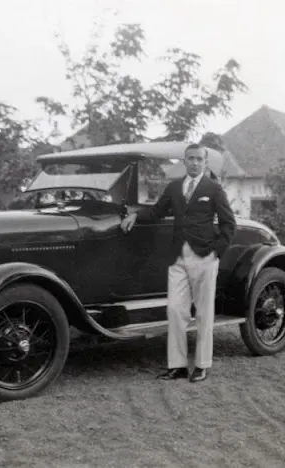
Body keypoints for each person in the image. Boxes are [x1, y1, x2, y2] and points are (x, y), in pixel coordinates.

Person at [120, 143, 236, 383]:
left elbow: (228, 223)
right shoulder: (174, 187)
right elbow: (156, 212)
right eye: (190, 159)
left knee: (204, 312)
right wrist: (134, 215)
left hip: (204, 257)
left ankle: (202, 365)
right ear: (184, 161)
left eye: (199, 159)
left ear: (205, 163)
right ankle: (178, 366)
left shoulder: (213, 189)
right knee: (175, 310)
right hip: (177, 258)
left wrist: (216, 252)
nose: (194, 163)